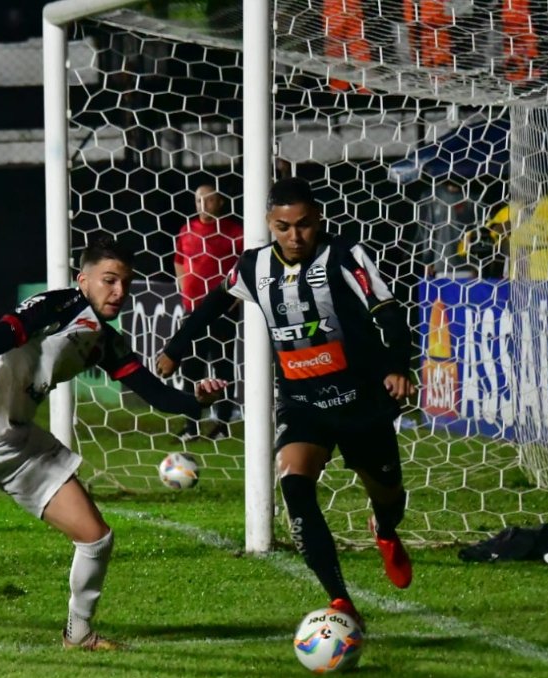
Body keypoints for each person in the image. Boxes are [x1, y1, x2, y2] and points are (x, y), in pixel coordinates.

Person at [0, 236, 221, 650]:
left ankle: (78, 633)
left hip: (19, 443)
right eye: (109, 280)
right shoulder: (56, 306)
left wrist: (197, 401)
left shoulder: (105, 342)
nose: (118, 292)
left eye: (125, 283)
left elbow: (153, 392)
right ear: (83, 280)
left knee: (96, 537)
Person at [156, 177, 416, 628]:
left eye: (304, 225)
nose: (294, 237)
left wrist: (396, 365)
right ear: (267, 224)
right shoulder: (253, 266)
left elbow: (386, 310)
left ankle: (385, 529)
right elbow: (214, 303)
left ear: (318, 219)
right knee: (294, 484)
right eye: (283, 227)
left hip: (361, 402)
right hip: (302, 404)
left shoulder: (344, 256)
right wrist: (175, 348)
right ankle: (340, 603)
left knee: (388, 496)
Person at [173, 180, 243, 441]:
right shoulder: (187, 230)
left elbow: (244, 265)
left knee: (222, 366)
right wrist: (184, 290)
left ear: (220, 202)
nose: (203, 205)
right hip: (193, 308)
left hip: (223, 310)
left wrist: (236, 297)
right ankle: (191, 426)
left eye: (208, 200)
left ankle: (222, 424)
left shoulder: (235, 232)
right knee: (192, 367)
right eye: (198, 201)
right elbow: (179, 261)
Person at [418, 177, 478, 278]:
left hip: (467, 267)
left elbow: (481, 231)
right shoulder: (433, 197)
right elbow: (428, 231)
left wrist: (477, 265)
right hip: (442, 266)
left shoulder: (474, 197)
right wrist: (427, 261)